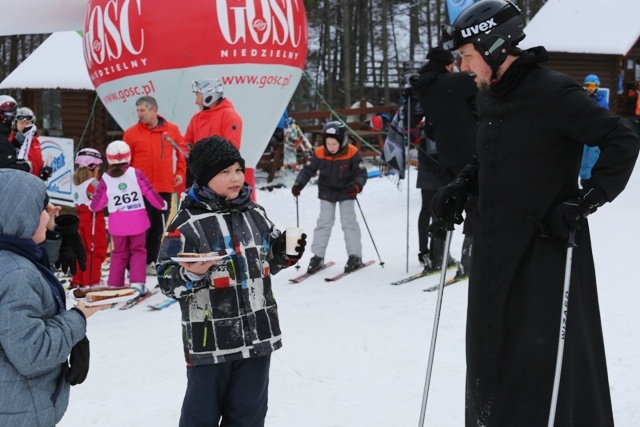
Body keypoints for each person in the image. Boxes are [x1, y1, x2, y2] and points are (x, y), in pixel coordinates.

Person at [434, 1, 640, 425]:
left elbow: (620, 139)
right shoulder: (491, 96)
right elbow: (496, 155)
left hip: (544, 251)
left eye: (468, 56)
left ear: (493, 47)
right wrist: (464, 183)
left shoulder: (553, 92)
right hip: (495, 250)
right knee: (491, 352)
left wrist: (587, 199)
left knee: (539, 361)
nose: (463, 66)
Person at [156, 136, 305, 426]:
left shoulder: (255, 214)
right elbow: (165, 279)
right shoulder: (185, 224)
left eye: (238, 169)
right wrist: (192, 273)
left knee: (248, 416)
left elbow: (268, 261)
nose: (235, 177)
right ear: (205, 177)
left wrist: (285, 253)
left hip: (258, 337)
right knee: (201, 417)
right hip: (209, 343)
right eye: (225, 172)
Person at [0, 169, 103, 426]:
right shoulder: (16, 275)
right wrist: (78, 317)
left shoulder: (11, 257)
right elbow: (32, 354)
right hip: (18, 410)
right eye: (43, 209)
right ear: (20, 216)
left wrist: (58, 234)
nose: (51, 212)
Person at [409, 45, 478, 277]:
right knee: (474, 203)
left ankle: (436, 255)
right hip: (468, 152)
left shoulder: (424, 87)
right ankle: (470, 258)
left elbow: (428, 128)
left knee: (445, 202)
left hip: (443, 155)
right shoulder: (455, 82)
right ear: (448, 65)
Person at [90, 140, 167, 295]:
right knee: (138, 250)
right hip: (137, 221)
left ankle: (115, 284)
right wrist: (161, 204)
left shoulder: (105, 178)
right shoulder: (135, 173)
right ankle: (137, 283)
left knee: (119, 252)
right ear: (128, 156)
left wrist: (92, 207)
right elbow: (149, 191)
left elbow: (98, 202)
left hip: (117, 223)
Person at [292, 121, 368, 273]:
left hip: (347, 191)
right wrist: (299, 184)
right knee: (324, 222)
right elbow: (308, 170)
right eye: (328, 143)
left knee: (349, 222)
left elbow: (361, 173)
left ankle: (355, 256)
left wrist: (357, 185)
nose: (331, 147)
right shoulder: (320, 152)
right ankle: (317, 256)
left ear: (342, 140)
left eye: (334, 143)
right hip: (327, 191)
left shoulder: (352, 152)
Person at [122, 96, 187, 275]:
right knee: (140, 229)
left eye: (142, 110)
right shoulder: (131, 133)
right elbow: (124, 162)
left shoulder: (171, 130)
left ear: (153, 110)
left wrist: (180, 173)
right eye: (137, 110)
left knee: (158, 228)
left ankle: (150, 261)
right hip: (139, 190)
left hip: (163, 189)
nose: (139, 114)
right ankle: (134, 264)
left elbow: (182, 151)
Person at [71, 148, 107, 287]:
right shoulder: (93, 183)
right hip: (93, 218)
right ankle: (92, 281)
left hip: (81, 218)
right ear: (93, 167)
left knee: (82, 250)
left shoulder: (77, 182)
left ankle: (79, 279)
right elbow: (105, 198)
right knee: (96, 250)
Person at [9, 107, 52, 180]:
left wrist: (44, 170)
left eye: (27, 123)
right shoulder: (10, 141)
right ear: (15, 124)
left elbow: (37, 161)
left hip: (35, 183)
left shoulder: (35, 141)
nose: (24, 126)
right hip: (20, 183)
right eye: (21, 123)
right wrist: (16, 143)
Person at [580, 74, 609, 180]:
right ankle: (583, 178)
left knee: (592, 157)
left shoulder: (602, 102)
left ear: (597, 86)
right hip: (584, 134)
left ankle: (590, 179)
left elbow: (605, 118)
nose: (590, 89)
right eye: (588, 86)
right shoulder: (583, 99)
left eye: (592, 86)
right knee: (583, 158)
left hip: (596, 134)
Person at [0, 95, 30, 173]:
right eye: (14, 118)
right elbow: (9, 171)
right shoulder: (3, 142)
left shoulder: (4, 139)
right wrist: (26, 166)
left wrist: (14, 144)